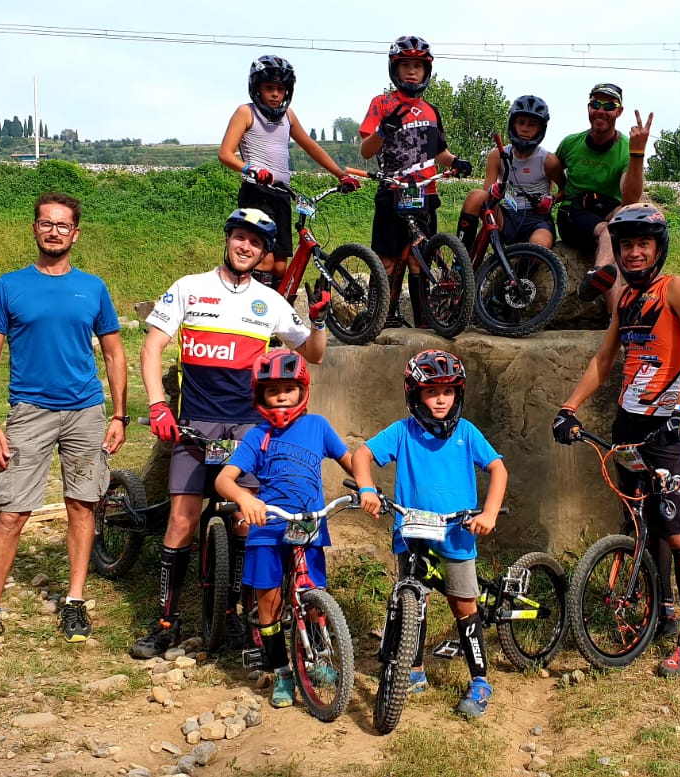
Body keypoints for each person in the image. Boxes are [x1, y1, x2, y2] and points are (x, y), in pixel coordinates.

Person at [133, 207, 331, 660]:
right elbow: (152, 347)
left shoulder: (270, 301)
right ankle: (166, 621)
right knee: (182, 520)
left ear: (264, 254)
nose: (246, 247)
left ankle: (239, 616)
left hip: (248, 427)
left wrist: (319, 322)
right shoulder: (190, 287)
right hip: (196, 422)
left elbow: (314, 354)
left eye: (256, 243)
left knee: (247, 520)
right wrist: (158, 404)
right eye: (240, 237)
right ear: (228, 239)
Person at [550, 203, 680, 678]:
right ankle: (662, 610)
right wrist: (568, 407)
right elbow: (605, 360)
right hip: (628, 426)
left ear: (658, 248)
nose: (634, 252)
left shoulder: (675, 289)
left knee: (676, 530)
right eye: (626, 245)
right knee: (641, 521)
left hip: (667, 430)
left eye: (643, 243)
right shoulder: (624, 298)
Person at [0, 192, 129, 648]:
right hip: (29, 412)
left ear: (75, 234)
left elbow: (114, 354)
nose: (54, 231)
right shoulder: (9, 287)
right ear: (35, 229)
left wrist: (120, 414)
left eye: (63, 225)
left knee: (82, 505)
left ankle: (75, 600)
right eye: (46, 223)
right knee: (12, 512)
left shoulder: (93, 288)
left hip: (85, 411)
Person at [353, 349, 507, 718]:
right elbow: (361, 455)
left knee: (463, 605)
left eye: (448, 391)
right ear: (415, 395)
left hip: (457, 534)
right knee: (413, 599)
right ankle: (415, 670)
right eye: (431, 392)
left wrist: (488, 513)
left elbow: (498, 469)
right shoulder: (402, 432)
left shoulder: (466, 432)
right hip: (412, 533)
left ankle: (480, 680)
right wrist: (367, 489)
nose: (441, 399)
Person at [215, 349, 356, 709]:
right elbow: (224, 479)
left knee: (314, 594)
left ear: (302, 390)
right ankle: (281, 670)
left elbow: (350, 462)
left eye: (288, 389)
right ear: (260, 396)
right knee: (269, 602)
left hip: (309, 524)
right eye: (272, 390)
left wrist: (367, 485)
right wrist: (244, 498)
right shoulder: (257, 436)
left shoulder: (318, 426)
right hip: (267, 527)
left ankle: (319, 659)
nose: (281, 397)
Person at [359, 35, 473, 329]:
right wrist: (383, 131)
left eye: (418, 66)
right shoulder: (381, 103)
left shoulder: (432, 111)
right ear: (394, 69)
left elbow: (441, 154)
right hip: (392, 191)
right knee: (386, 260)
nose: (412, 71)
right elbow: (366, 151)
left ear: (426, 71)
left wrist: (456, 161)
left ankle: (424, 321)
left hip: (425, 193)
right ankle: (380, 318)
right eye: (405, 65)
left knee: (418, 258)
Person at [219, 55, 362, 280]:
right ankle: (249, 299)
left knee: (279, 266)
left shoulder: (288, 115)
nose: (275, 94)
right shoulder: (246, 112)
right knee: (263, 259)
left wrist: (341, 174)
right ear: (257, 88)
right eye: (269, 88)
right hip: (257, 193)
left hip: (282, 194)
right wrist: (251, 170)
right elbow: (225, 154)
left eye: (281, 88)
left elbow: (310, 146)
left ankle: (275, 301)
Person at [547, 84, 651, 304]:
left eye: (609, 106)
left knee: (625, 222)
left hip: (608, 211)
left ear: (619, 111)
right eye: (596, 104)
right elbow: (549, 166)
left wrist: (638, 153)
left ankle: (614, 317)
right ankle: (598, 272)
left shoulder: (626, 148)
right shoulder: (571, 143)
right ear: (589, 108)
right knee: (609, 232)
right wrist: (552, 195)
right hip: (574, 212)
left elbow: (630, 199)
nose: (601, 111)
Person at [456, 95, 558, 252]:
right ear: (513, 124)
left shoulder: (549, 160)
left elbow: (566, 190)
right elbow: (486, 192)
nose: (525, 129)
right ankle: (461, 259)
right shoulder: (497, 155)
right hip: (508, 217)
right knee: (476, 196)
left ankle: (523, 266)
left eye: (532, 124)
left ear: (540, 128)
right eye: (521, 122)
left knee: (539, 245)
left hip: (537, 221)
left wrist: (552, 199)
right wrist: (494, 190)